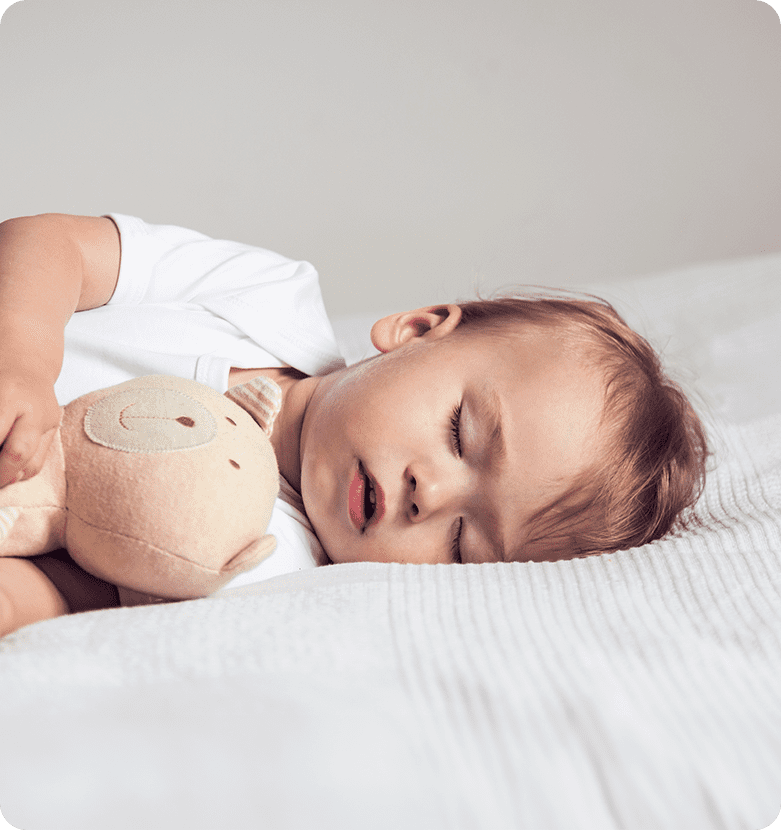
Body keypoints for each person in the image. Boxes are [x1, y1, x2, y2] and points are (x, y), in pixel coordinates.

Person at [0, 212, 709, 637]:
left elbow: (80, 590)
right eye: (460, 433)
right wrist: (25, 358)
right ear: (418, 329)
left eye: (463, 543)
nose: (427, 495)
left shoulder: (271, 565)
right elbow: (51, 245)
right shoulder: (266, 296)